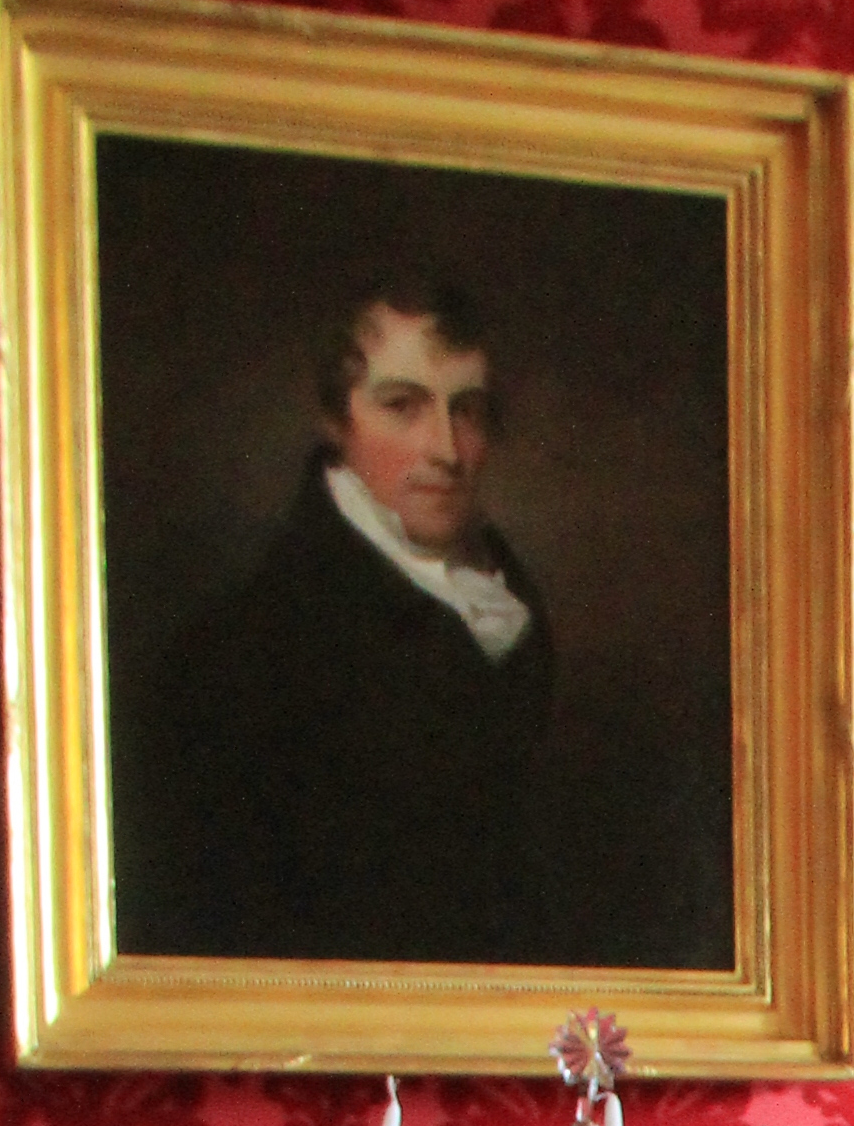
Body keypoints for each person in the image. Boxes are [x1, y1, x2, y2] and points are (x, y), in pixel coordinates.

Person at [113, 269, 557, 963]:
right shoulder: (237, 658)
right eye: (402, 406)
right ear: (334, 419)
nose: (445, 448)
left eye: (466, 409)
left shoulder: (510, 616)